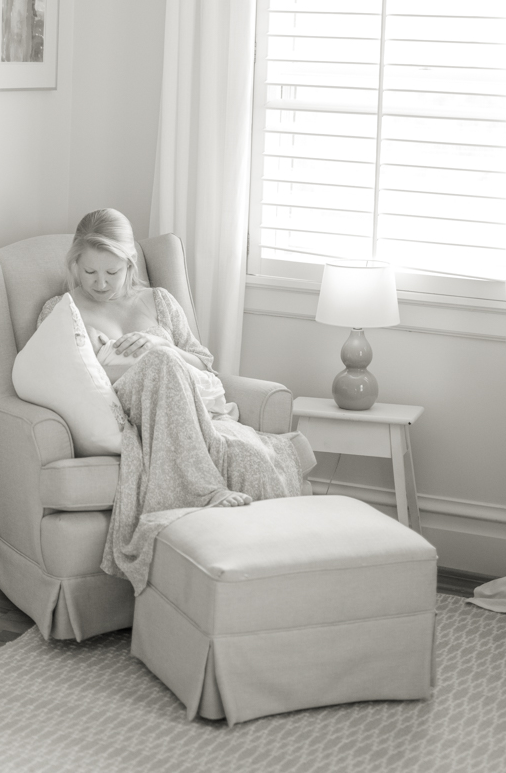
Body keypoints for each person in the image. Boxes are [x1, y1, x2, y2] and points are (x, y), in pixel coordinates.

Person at [38, 208, 313, 593]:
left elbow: (204, 362)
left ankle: (276, 578)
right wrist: (126, 360)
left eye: (112, 272)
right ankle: (204, 491)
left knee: (254, 458)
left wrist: (160, 342)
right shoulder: (61, 311)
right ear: (75, 266)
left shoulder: (159, 301)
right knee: (161, 362)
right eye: (89, 272)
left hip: (191, 401)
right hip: (128, 408)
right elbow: (58, 378)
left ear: (130, 263)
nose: (100, 283)